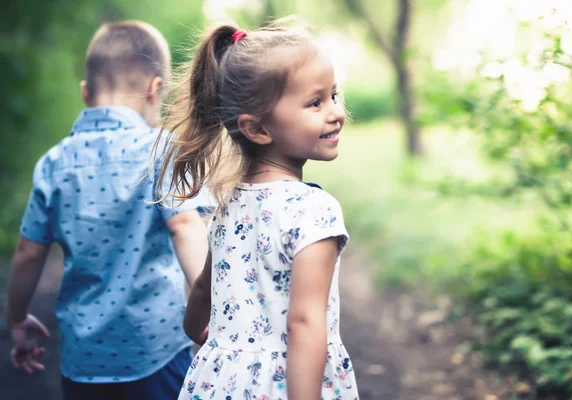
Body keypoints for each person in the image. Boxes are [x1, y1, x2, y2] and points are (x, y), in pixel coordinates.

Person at [7, 20, 212, 399]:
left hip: (84, 360)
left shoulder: (54, 163)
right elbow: (185, 225)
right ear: (155, 89)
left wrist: (17, 319)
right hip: (156, 351)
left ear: (86, 93)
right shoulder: (160, 150)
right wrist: (214, 305)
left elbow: (27, 253)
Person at [156, 21, 359, 400]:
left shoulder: (228, 204)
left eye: (333, 95)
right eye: (315, 102)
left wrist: (208, 336)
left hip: (219, 382)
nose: (335, 113)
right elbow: (304, 322)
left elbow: (203, 288)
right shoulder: (314, 210)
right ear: (258, 129)